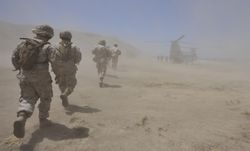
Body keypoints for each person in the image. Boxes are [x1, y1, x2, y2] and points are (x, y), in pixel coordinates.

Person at [11, 25, 55, 138]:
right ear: (48, 35)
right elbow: (56, 63)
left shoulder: (23, 44)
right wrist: (58, 75)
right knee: (46, 98)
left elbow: (14, 58)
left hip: (24, 76)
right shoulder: (48, 47)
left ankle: (22, 116)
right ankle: (43, 120)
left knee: (27, 98)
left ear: (36, 32)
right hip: (42, 79)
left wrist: (20, 69)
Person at [51, 31, 81, 107]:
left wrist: (55, 68)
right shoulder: (74, 46)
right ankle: (65, 94)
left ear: (60, 36)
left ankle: (64, 96)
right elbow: (78, 58)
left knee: (61, 83)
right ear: (70, 37)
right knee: (72, 83)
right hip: (70, 67)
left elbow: (52, 58)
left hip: (58, 68)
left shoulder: (55, 46)